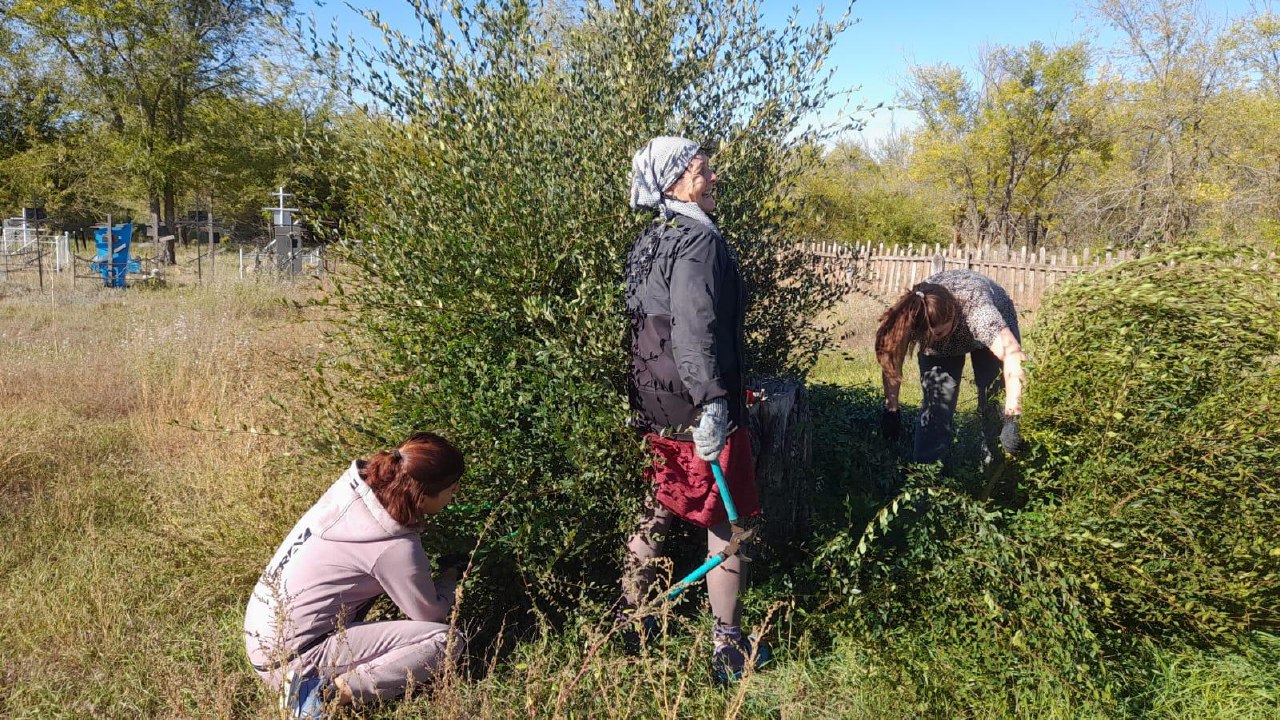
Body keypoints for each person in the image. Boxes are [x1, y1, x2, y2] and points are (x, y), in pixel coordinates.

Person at [621, 135, 769, 682]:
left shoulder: (650, 239)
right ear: (673, 181)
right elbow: (692, 325)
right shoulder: (697, 242)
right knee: (730, 523)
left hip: (656, 402)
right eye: (702, 170)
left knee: (662, 502)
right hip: (699, 402)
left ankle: (631, 620)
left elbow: (647, 330)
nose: (712, 179)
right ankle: (728, 646)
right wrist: (711, 400)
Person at [243, 432, 466, 719]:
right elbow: (430, 614)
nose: (456, 492)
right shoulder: (393, 546)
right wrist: (450, 577)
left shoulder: (351, 494)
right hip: (290, 662)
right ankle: (317, 695)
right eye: (452, 488)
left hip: (262, 641)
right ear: (422, 496)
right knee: (445, 642)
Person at [876, 269, 1027, 467]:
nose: (930, 340)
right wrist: (891, 409)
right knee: (936, 406)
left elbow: (1013, 355)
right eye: (925, 337)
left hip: (989, 326)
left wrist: (1012, 416)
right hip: (943, 332)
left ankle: (996, 466)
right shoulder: (915, 314)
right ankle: (927, 477)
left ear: (953, 316)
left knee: (993, 400)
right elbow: (892, 358)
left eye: (937, 334)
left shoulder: (978, 312)